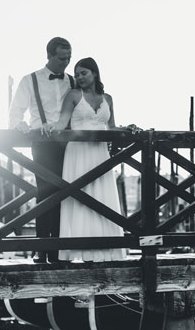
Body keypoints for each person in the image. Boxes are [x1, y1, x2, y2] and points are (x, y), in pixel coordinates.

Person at [52, 57, 135, 262]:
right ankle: (80, 249)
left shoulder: (108, 98)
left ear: (95, 73)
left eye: (84, 73)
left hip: (99, 154)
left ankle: (103, 250)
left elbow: (111, 127)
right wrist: (47, 128)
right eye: (77, 74)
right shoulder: (73, 95)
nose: (79, 77)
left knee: (101, 197)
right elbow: (62, 123)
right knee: (80, 198)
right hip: (78, 153)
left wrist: (128, 129)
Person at [8, 37, 74, 263]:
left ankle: (60, 249)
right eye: (61, 58)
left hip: (70, 145)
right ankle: (41, 248)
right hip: (42, 144)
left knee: (67, 194)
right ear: (49, 55)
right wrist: (23, 127)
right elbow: (15, 113)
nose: (66, 63)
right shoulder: (30, 80)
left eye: (69, 58)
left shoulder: (74, 81)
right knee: (45, 193)